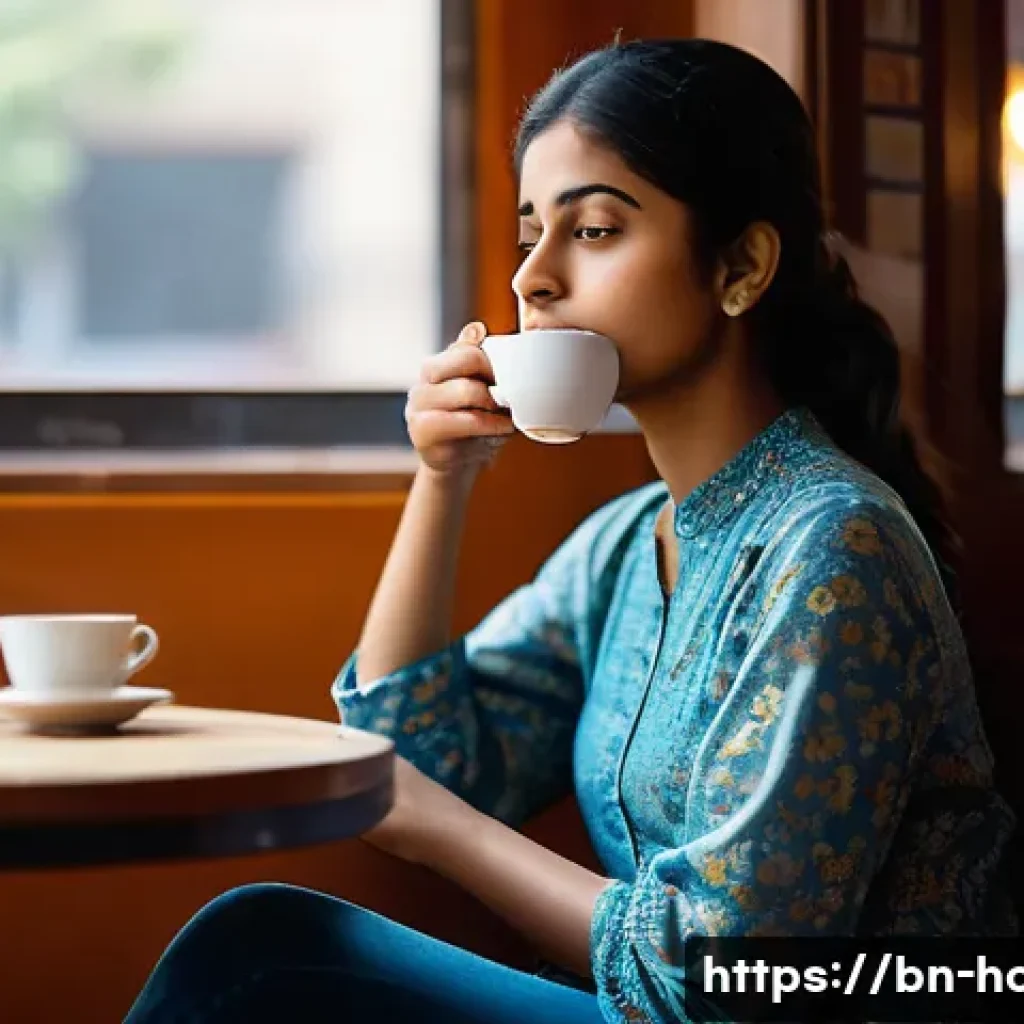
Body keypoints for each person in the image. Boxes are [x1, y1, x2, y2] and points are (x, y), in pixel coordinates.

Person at [124, 37, 1017, 1023]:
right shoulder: (625, 547)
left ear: (740, 265)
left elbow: (729, 987)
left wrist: (445, 834)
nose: (532, 280)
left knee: (259, 955)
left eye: (591, 230)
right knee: (255, 943)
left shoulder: (833, 545)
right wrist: (442, 476)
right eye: (528, 234)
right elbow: (406, 756)